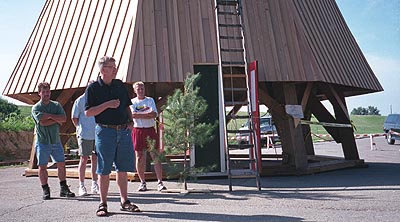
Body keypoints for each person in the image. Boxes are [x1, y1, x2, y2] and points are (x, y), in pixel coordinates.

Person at [85, 56, 140, 217]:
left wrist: (131, 121)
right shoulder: (93, 88)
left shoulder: (119, 85)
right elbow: (88, 112)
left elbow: (127, 106)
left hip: (123, 131)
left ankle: (124, 201)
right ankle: (103, 204)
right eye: (112, 67)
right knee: (104, 169)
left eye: (115, 67)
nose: (115, 69)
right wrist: (107, 104)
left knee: (122, 168)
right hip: (105, 131)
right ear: (103, 70)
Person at [31, 82, 76, 200]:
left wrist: (49, 116)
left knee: (61, 164)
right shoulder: (36, 107)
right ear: (39, 93)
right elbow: (42, 122)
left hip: (55, 140)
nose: (46, 94)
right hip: (43, 141)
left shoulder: (56, 105)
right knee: (42, 166)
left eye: (48, 92)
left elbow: (64, 119)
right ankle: (45, 189)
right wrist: (55, 119)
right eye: (44, 92)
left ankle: (63, 188)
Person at [131, 81, 167, 192]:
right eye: (138, 89)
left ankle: (160, 182)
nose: (141, 90)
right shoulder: (132, 102)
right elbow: (132, 115)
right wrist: (146, 114)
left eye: (142, 88)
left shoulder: (150, 100)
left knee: (155, 155)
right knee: (139, 157)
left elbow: (154, 114)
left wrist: (142, 115)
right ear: (135, 90)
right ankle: (142, 182)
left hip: (150, 130)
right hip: (138, 130)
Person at [71, 87, 99, 196]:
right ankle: (81, 185)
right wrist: (80, 128)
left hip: (97, 134)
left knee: (95, 159)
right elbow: (74, 118)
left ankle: (94, 184)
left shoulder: (98, 99)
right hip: (84, 135)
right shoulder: (80, 100)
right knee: (84, 159)